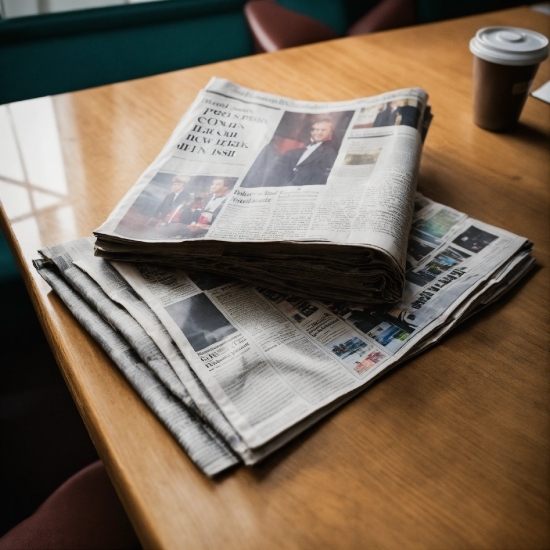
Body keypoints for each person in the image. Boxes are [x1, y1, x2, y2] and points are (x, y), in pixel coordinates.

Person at [156, 177, 234, 239]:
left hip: (207, 228)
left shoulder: (227, 201)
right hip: (195, 223)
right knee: (175, 228)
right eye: (213, 184)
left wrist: (202, 226)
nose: (213, 186)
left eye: (218, 184)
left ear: (225, 187)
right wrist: (193, 222)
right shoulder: (208, 197)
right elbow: (197, 211)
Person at [271, 119, 338, 186]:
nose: (319, 132)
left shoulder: (329, 153)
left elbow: (323, 177)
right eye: (316, 129)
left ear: (330, 134)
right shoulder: (298, 151)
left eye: (323, 130)